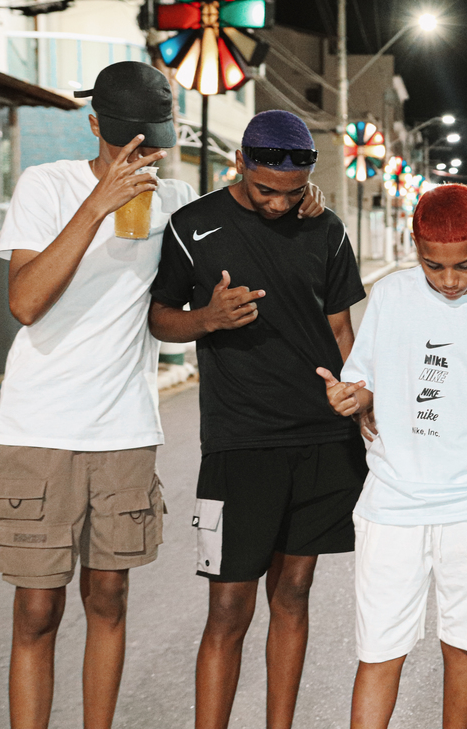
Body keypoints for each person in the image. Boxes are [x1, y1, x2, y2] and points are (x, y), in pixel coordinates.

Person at [148, 110, 366, 729]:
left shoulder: (325, 227)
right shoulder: (193, 227)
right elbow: (160, 317)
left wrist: (360, 399)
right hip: (238, 443)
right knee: (227, 609)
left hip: (321, 438)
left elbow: (341, 330)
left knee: (293, 593)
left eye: (291, 193)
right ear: (239, 163)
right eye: (266, 189)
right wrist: (207, 319)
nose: (278, 204)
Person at [0, 60, 178, 729]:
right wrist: (97, 205)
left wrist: (305, 197)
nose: (141, 154)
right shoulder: (46, 185)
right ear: (95, 125)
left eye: (152, 141)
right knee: (37, 609)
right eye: (128, 139)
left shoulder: (175, 199)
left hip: (124, 430)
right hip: (39, 428)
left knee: (109, 599)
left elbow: (246, 214)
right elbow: (25, 302)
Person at [317, 184, 467, 729]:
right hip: (392, 506)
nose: (449, 280)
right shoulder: (391, 295)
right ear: (415, 246)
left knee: (465, 651)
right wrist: (351, 398)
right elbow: (366, 383)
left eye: (464, 265)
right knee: (379, 653)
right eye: (433, 265)